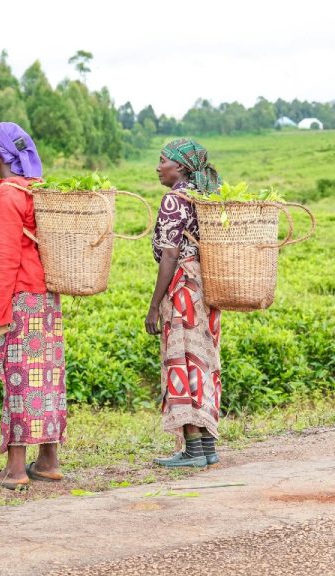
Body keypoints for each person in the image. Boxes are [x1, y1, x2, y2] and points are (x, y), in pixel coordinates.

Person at [0, 122, 67, 490]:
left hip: (21, 302)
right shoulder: (35, 190)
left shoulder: (7, 195)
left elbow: (7, 261)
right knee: (46, 378)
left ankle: (14, 470)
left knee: (18, 380)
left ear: (1, 154)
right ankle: (48, 460)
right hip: (46, 302)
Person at [146, 138, 222, 468]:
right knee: (201, 361)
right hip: (205, 287)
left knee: (183, 359)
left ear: (179, 167)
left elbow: (170, 255)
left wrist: (154, 304)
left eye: (162, 160)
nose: (158, 166)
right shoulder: (203, 197)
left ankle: (193, 449)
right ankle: (206, 446)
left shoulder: (174, 200)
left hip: (183, 289)